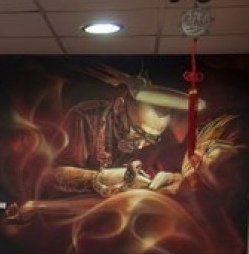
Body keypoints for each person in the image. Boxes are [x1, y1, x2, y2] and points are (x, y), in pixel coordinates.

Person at [51, 69, 199, 197]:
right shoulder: (86, 117)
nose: (141, 145)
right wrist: (101, 178)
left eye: (151, 138)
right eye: (138, 132)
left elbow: (173, 172)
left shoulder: (159, 139)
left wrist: (174, 179)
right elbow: (55, 175)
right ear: (118, 108)